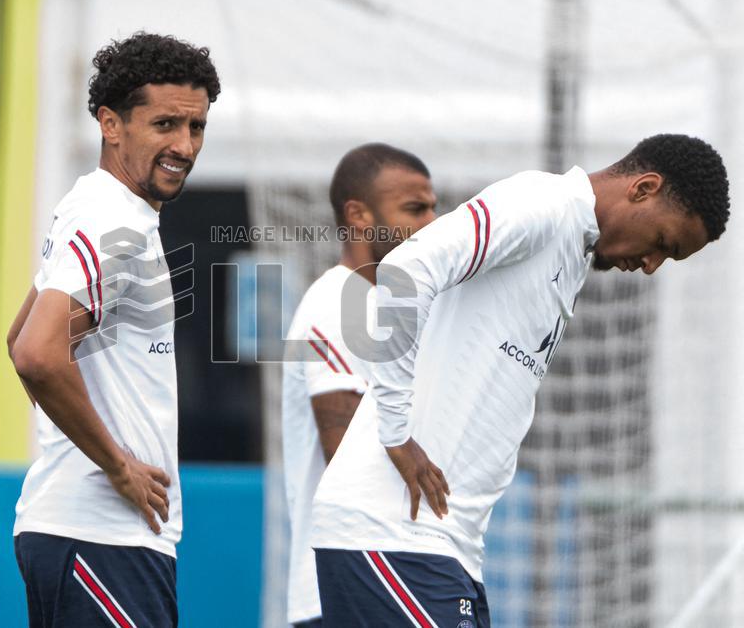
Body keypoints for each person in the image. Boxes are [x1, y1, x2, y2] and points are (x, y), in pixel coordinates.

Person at [310, 134, 730, 627]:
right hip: (391, 533)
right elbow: (405, 270)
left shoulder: (573, 248)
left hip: (445, 545)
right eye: (662, 243)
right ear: (645, 188)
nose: (651, 266)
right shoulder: (543, 203)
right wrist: (397, 432)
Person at [7, 32, 220, 628]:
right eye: (165, 124)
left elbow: (19, 338)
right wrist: (116, 465)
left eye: (196, 127)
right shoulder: (109, 217)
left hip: (89, 536)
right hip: (101, 539)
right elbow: (36, 353)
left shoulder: (106, 209)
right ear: (110, 123)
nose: (184, 145)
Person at [281, 143, 437, 627]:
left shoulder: (389, 308)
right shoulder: (337, 302)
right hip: (346, 588)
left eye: (434, 207)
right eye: (415, 209)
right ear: (358, 215)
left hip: (388, 576)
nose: (433, 222)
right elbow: (348, 465)